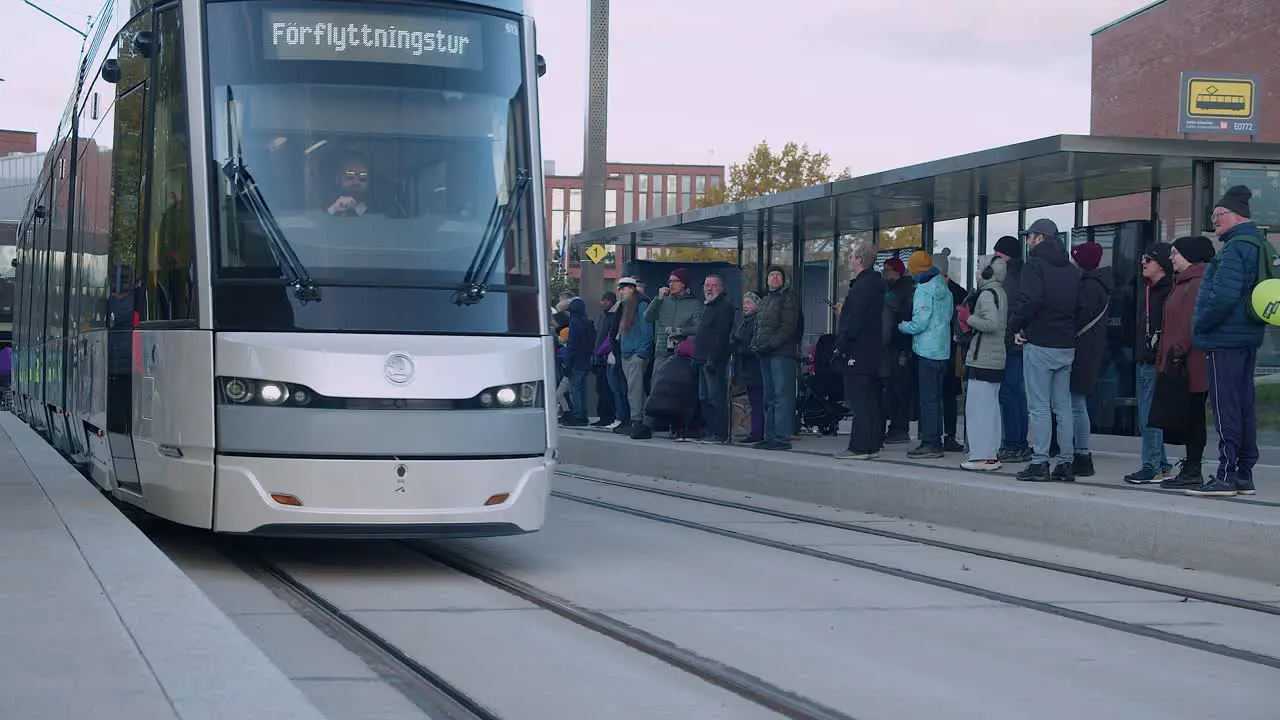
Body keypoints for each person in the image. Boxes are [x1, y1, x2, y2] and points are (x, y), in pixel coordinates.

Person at [1187, 185, 1268, 497]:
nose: (1214, 221)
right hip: (1248, 336)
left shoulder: (1235, 249)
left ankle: (1226, 474)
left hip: (1224, 339)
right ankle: (1244, 473)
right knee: (1244, 404)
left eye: (1218, 215)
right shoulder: (1257, 244)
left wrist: (1201, 326)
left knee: (1225, 406)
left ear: (1235, 216)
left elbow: (1223, 297)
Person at [1007, 218, 1080, 482]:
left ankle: (1040, 462)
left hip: (1040, 343)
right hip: (1066, 344)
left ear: (1039, 237)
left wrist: (1015, 325)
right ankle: (1066, 462)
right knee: (1063, 407)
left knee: (1038, 407)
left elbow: (1031, 300)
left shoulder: (1034, 265)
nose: (1027, 241)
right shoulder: (1072, 269)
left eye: (1029, 236)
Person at [1154, 236, 1217, 490]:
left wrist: (1176, 353)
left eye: (1175, 253)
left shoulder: (1196, 282)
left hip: (1189, 364)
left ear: (1189, 255)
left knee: (1193, 418)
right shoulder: (1183, 282)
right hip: (1181, 362)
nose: (1171, 258)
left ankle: (1193, 469)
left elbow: (1190, 322)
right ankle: (1191, 467)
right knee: (1189, 417)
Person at [1125, 243, 1175, 484]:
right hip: (1145, 359)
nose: (1143, 262)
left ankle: (1152, 465)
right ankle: (1162, 464)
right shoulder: (1149, 289)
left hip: (1155, 362)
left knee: (1149, 417)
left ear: (1163, 264)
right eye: (1143, 257)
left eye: (1149, 259)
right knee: (1149, 415)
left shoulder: (1167, 292)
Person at [897, 251, 953, 459]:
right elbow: (947, 316)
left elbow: (919, 323)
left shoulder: (923, 290)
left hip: (926, 351)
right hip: (942, 350)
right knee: (937, 398)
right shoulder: (944, 288)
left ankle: (930, 442)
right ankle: (936, 439)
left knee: (927, 399)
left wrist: (901, 326)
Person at [834, 239, 885, 460]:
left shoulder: (861, 287)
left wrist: (842, 343)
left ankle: (859, 446)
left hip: (858, 350)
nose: (850, 261)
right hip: (873, 350)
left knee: (859, 400)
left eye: (852, 257)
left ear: (859, 260)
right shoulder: (876, 284)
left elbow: (855, 321)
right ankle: (872, 443)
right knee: (871, 398)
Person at [957, 254, 1008, 471]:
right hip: (994, 359)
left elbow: (991, 324)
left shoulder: (987, 295)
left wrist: (967, 318)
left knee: (978, 410)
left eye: (979, 269)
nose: (977, 273)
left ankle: (981, 456)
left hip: (983, 359)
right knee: (991, 409)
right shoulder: (1000, 293)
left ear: (988, 273)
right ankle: (991, 453)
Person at [1068, 241, 1111, 478]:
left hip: (1081, 352)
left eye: (1074, 259)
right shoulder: (1100, 286)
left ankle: (1081, 454)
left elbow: (1076, 318)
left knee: (1076, 404)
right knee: (1077, 404)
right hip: (1090, 351)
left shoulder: (1088, 288)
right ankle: (1080, 453)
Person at [751, 267, 802, 451]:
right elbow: (757, 325)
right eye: (771, 275)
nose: (774, 278)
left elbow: (788, 327)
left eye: (777, 275)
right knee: (769, 396)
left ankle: (781, 437)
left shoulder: (788, 298)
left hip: (781, 353)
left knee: (782, 396)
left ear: (783, 280)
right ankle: (769, 435)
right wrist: (755, 344)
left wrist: (771, 345)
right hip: (765, 352)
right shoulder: (765, 300)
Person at [693, 274, 736, 443]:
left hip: (714, 359)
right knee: (703, 396)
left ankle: (719, 433)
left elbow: (721, 335)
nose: (709, 288)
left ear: (720, 287)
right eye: (707, 285)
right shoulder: (708, 306)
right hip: (701, 358)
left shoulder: (724, 306)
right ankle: (709, 430)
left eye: (713, 285)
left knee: (715, 396)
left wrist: (712, 358)